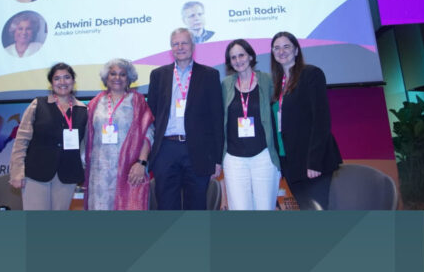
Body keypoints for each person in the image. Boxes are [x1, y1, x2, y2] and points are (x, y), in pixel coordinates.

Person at [147, 28, 224, 210]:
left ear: (193, 46)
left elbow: (217, 119)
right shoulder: (158, 75)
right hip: (166, 150)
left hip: (198, 151)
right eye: (176, 43)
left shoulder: (210, 75)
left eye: (184, 43)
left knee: (196, 206)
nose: (180, 47)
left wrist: (217, 159)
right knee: (166, 206)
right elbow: (151, 115)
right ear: (171, 48)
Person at [270, 31, 342, 210]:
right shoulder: (278, 83)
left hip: (311, 162)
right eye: (277, 48)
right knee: (306, 209)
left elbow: (321, 120)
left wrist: (314, 161)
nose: (281, 51)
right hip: (290, 161)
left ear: (296, 50)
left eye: (286, 46)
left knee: (318, 212)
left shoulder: (311, 74)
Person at [8, 63, 88, 210]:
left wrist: (84, 170)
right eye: (57, 78)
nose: (62, 82)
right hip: (36, 173)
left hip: (67, 175)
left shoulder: (83, 110)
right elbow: (21, 141)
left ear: (73, 81)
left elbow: (85, 146)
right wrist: (17, 172)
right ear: (51, 83)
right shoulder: (37, 104)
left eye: (67, 77)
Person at [83, 59, 154, 210]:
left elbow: (148, 133)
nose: (117, 78)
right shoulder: (95, 102)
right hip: (99, 171)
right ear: (106, 78)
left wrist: (141, 163)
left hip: (128, 169)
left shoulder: (137, 101)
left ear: (128, 79)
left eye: (122, 74)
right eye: (113, 74)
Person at [221, 39, 280, 210]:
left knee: (264, 209)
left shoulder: (267, 81)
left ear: (251, 56)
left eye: (241, 55)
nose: (238, 60)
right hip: (234, 159)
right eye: (233, 58)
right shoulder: (226, 85)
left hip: (263, 156)